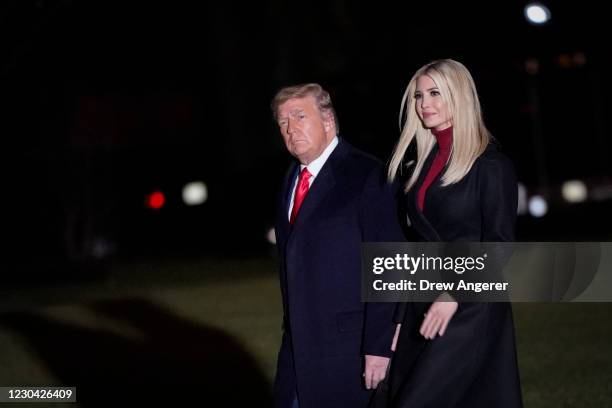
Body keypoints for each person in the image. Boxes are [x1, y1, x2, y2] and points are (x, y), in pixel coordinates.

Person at [386, 59, 523, 407]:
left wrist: (452, 295)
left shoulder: (491, 166)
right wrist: (398, 317)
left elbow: (501, 245)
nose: (424, 104)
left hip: (469, 308)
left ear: (458, 97)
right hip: (423, 306)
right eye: (419, 96)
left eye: (435, 93)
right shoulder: (419, 167)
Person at [271, 83, 405, 408]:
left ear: (328, 121)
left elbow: (388, 264)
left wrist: (378, 344)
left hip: (350, 350)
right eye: (283, 122)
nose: (290, 128)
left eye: (299, 116)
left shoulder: (367, 174)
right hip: (297, 350)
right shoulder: (290, 179)